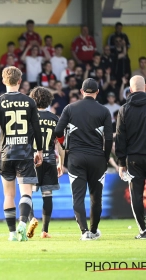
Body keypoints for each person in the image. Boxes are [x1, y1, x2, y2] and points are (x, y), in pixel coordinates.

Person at [0, 66, 43, 242]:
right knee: (26, 193)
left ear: (3, 81)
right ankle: (23, 224)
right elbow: (37, 129)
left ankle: (11, 233)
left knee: (8, 195)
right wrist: (39, 150)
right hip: (25, 153)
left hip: (5, 154)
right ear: (20, 81)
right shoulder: (29, 102)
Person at [55, 78, 113, 240]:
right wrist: (105, 158)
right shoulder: (104, 111)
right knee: (96, 197)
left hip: (76, 158)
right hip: (97, 158)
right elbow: (108, 139)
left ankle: (84, 232)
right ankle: (94, 230)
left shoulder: (70, 108)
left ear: (81, 91)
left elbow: (58, 131)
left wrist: (64, 144)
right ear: (97, 92)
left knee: (78, 196)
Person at [27, 87, 65, 239]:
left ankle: (31, 219)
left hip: (31, 159)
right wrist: (60, 163)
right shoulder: (55, 119)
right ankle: (45, 231)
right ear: (49, 100)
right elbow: (61, 144)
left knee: (27, 193)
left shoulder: (28, 117)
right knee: (47, 195)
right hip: (49, 159)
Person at [115, 75, 146, 240]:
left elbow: (120, 138)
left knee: (136, 195)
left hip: (133, 158)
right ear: (145, 87)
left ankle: (143, 230)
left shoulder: (124, 109)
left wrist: (121, 162)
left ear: (131, 89)